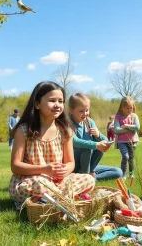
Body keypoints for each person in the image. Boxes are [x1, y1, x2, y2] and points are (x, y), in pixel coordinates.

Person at [9, 81, 95, 209]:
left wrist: (64, 170)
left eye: (60, 101)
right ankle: (63, 199)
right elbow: (16, 166)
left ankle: (52, 200)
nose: (57, 105)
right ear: (37, 104)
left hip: (57, 182)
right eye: (52, 100)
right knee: (41, 184)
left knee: (89, 179)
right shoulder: (24, 131)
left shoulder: (65, 131)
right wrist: (44, 169)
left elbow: (71, 163)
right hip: (31, 181)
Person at [68, 93, 122, 181]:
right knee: (88, 147)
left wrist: (98, 135)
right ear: (71, 110)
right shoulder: (67, 123)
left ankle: (89, 178)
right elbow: (75, 141)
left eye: (87, 110)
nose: (85, 114)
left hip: (90, 165)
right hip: (74, 165)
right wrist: (96, 144)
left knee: (118, 172)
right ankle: (84, 175)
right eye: (81, 111)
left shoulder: (89, 122)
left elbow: (105, 140)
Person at [113, 96, 140, 179]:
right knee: (125, 156)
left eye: (131, 108)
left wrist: (126, 126)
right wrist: (130, 129)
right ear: (122, 107)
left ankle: (131, 174)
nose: (129, 110)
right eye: (127, 108)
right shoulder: (118, 117)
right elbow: (116, 129)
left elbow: (137, 127)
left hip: (133, 141)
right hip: (122, 142)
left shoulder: (134, 116)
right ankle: (123, 174)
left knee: (131, 158)